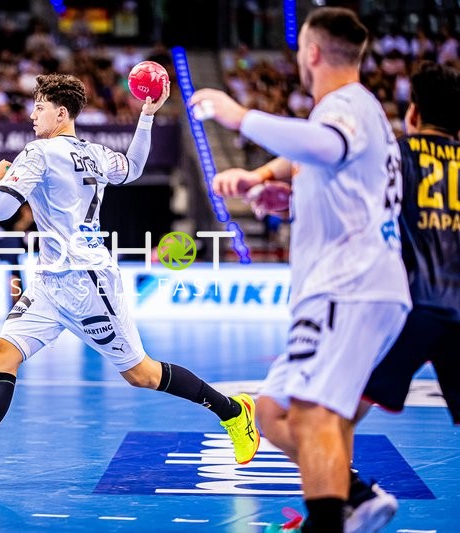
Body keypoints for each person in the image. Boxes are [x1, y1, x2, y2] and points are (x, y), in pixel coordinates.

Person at [0, 73, 260, 489]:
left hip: (86, 285)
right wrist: (146, 116)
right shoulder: (95, 153)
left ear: (61, 113)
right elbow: (131, 169)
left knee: (142, 374)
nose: (32, 114)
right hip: (50, 283)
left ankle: (233, 412)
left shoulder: (38, 153)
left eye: (39, 107)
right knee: (2, 353)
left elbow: (2, 211)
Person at [190, 7, 411, 532]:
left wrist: (238, 116)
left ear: (311, 52)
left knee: (314, 415)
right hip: (346, 286)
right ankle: (351, 494)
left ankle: (331, 516)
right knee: (272, 411)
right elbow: (342, 187)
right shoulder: (358, 114)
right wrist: (281, 195)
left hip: (349, 287)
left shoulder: (346, 107)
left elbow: (325, 145)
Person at [342, 61, 460, 533]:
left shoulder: (397, 155)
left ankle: (348, 501)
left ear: (413, 114)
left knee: (338, 412)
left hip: (408, 310)